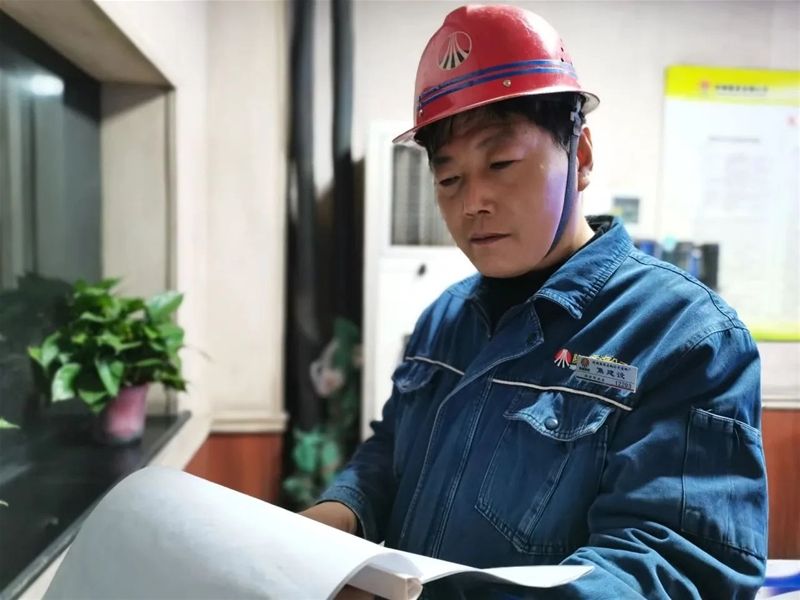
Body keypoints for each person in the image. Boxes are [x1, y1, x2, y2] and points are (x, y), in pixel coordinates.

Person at [302, 5, 769, 599]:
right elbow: (392, 451)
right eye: (448, 178)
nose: (472, 202)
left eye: (501, 163)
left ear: (582, 157)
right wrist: (341, 514)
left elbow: (671, 568)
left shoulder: (684, 336)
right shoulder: (445, 318)